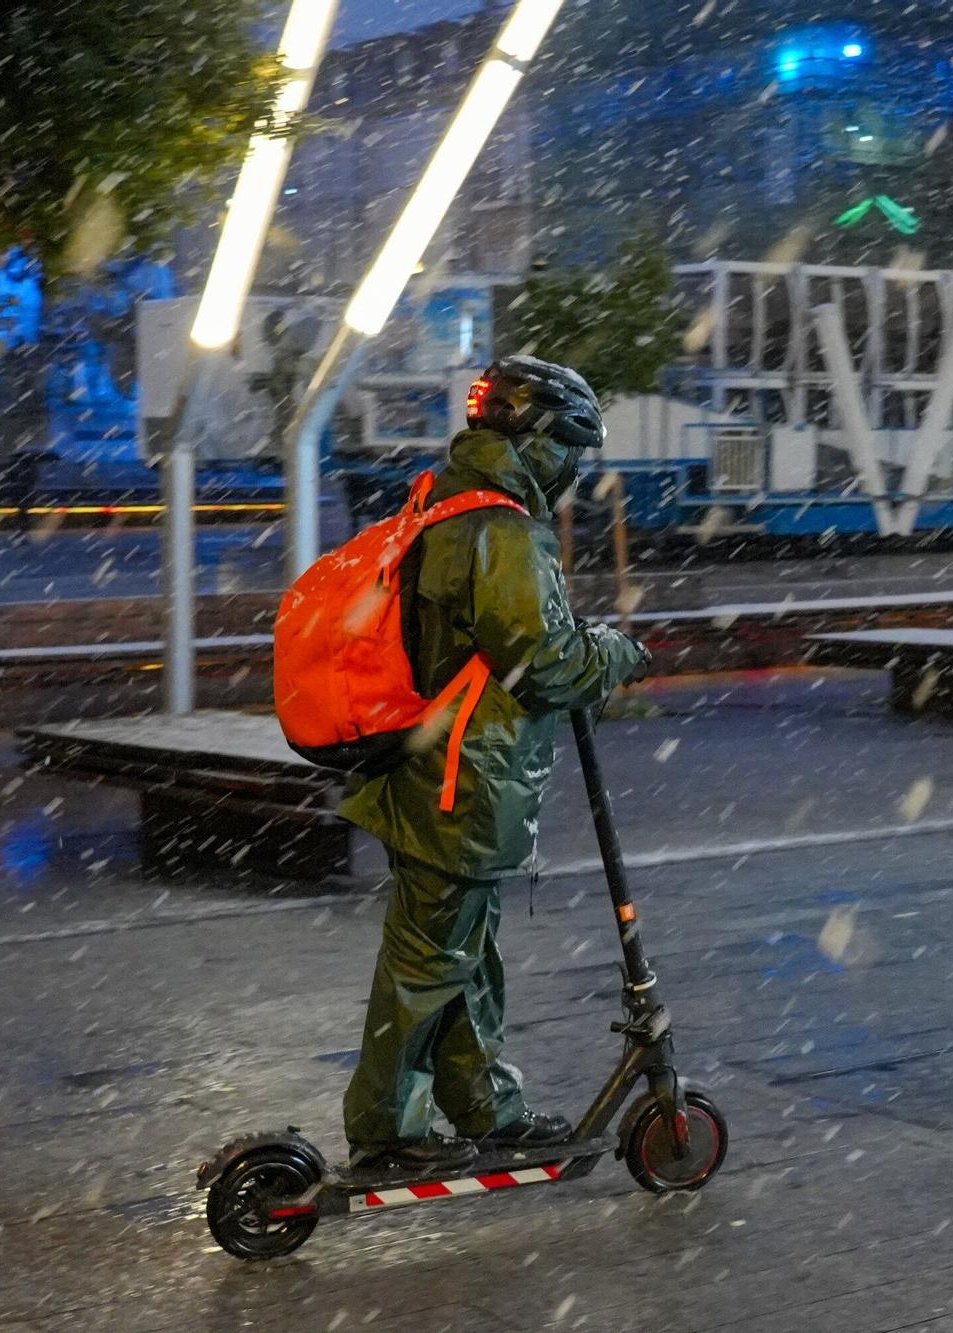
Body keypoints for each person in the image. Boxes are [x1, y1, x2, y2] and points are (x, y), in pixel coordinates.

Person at [338, 355, 650, 1176]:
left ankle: (485, 1106)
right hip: (461, 779)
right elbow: (544, 663)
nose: (575, 471)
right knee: (427, 959)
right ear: (540, 441)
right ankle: (386, 1129)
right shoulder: (501, 529)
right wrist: (617, 653)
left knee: (461, 949)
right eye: (572, 450)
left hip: (424, 765)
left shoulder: (443, 498)